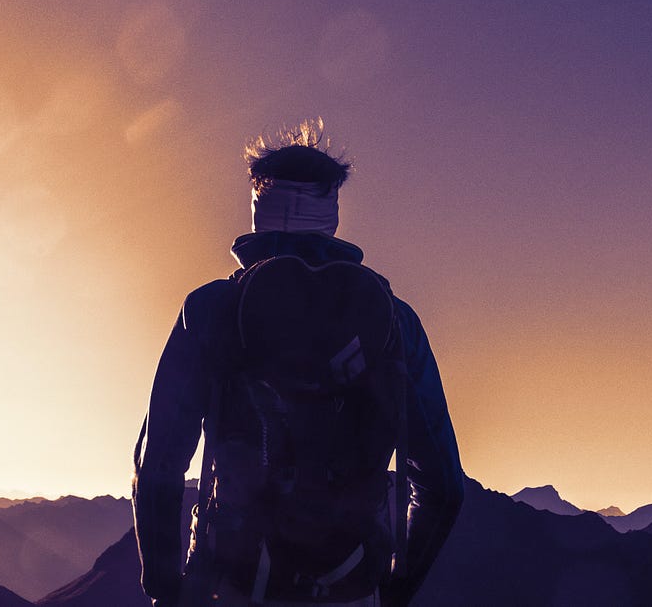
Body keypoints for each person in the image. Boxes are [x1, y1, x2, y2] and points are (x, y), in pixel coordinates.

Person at [133, 122, 464, 606]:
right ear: (332, 216)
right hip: (349, 585)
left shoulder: (211, 309)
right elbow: (443, 487)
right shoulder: (393, 321)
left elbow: (159, 467)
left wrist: (167, 590)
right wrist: (393, 591)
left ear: (257, 212)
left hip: (231, 585)